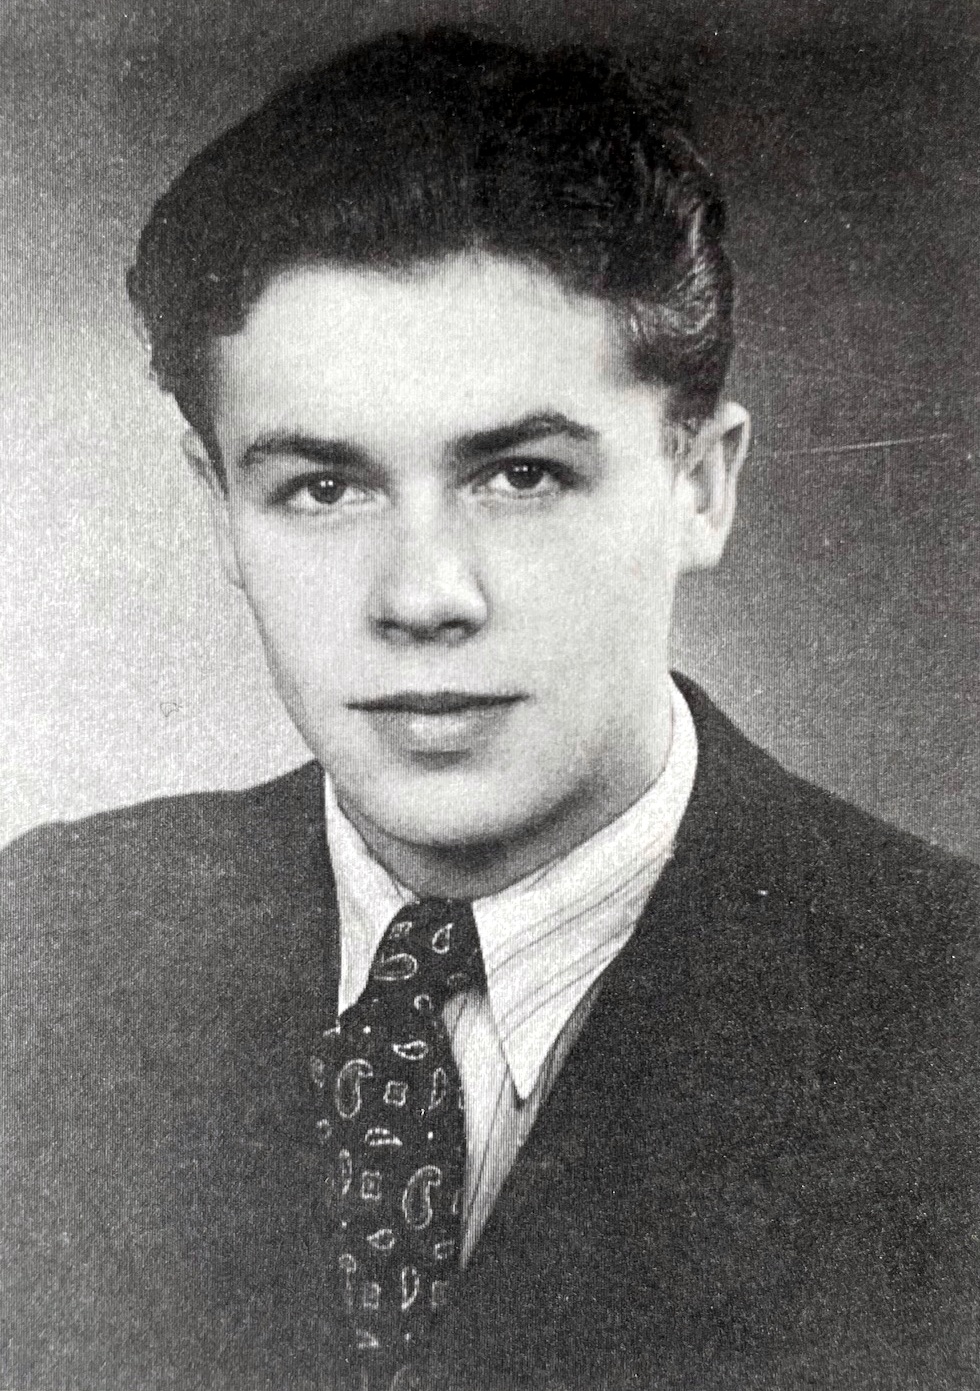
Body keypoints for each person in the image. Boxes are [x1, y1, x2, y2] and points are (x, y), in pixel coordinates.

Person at [1, 25, 976, 1391]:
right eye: (323, 488)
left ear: (702, 486)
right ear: (218, 509)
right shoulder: (46, 949)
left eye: (521, 476)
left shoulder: (948, 1020)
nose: (423, 596)